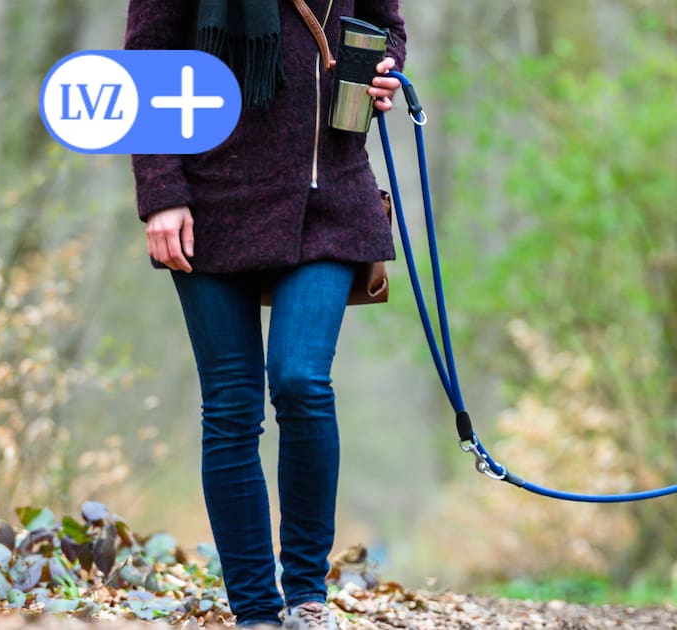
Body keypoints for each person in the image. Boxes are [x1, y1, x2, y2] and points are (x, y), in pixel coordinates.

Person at [124, 1, 407, 627]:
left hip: (326, 198)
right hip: (209, 201)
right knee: (230, 405)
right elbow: (147, 66)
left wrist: (386, 70)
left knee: (302, 381)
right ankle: (255, 609)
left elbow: (386, 25)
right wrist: (162, 194)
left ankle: (306, 596)